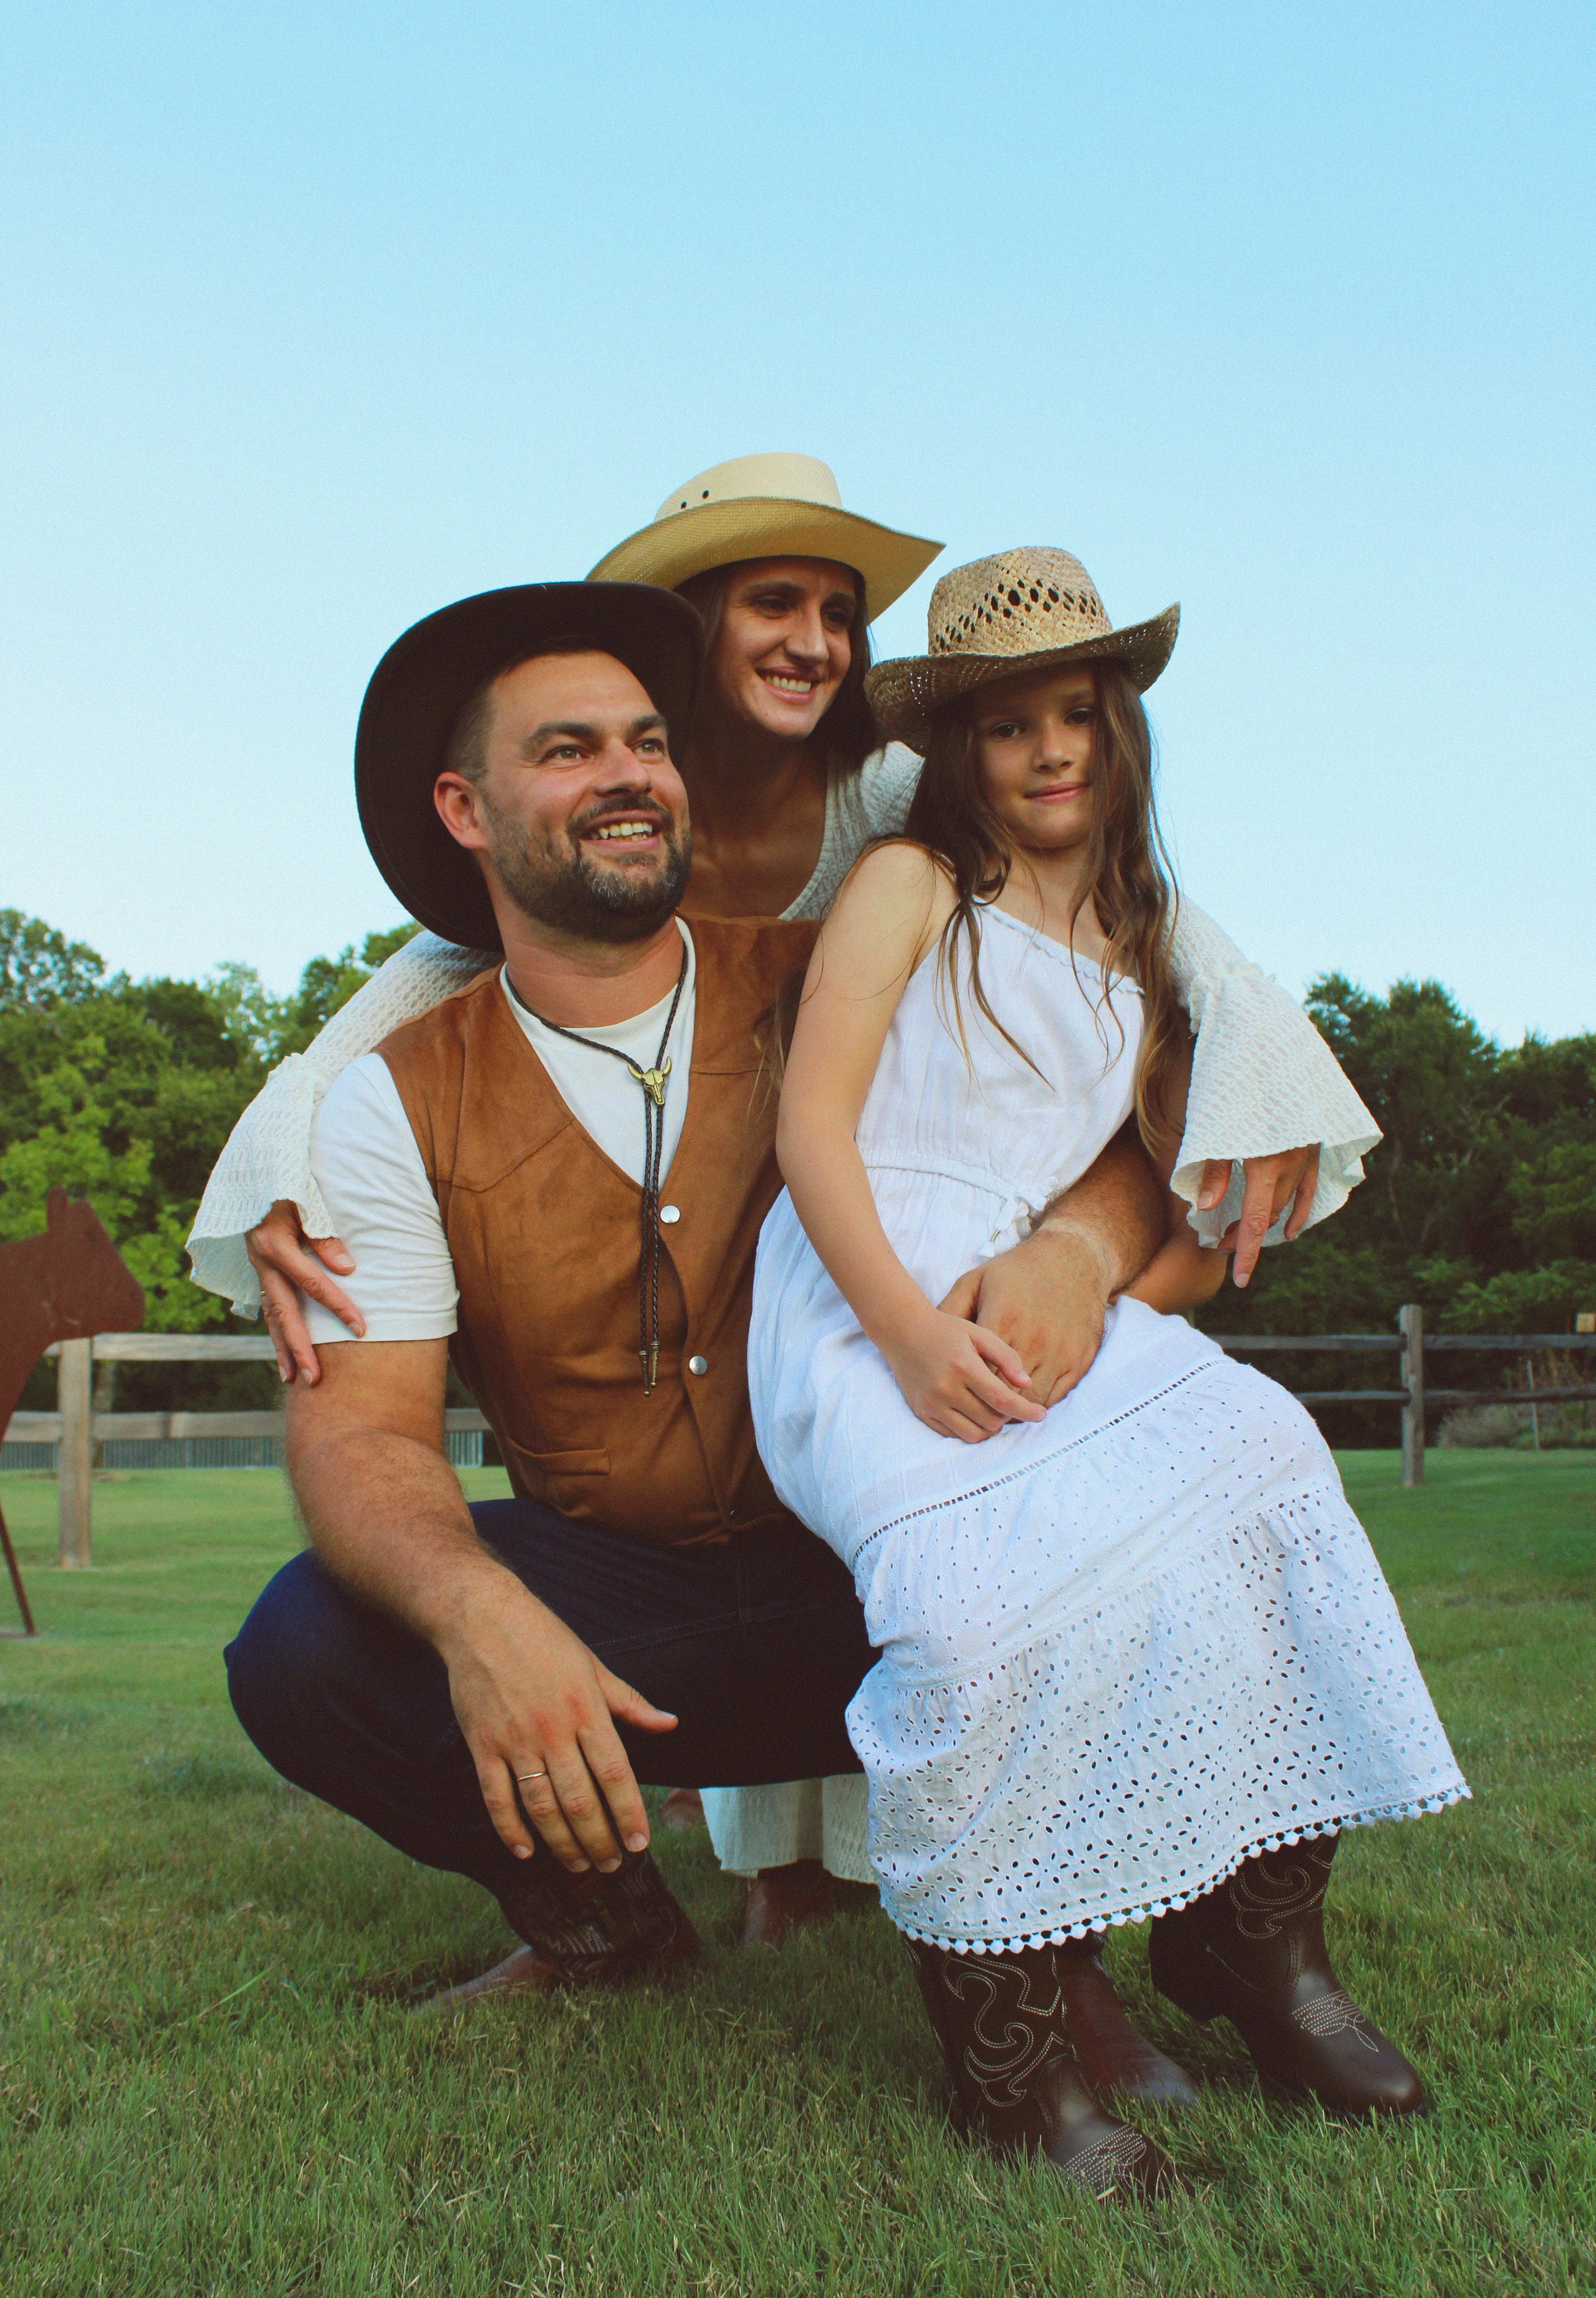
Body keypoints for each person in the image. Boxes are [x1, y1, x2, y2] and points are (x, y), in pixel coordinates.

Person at [190, 458, 1378, 1971]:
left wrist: (1078, 1246)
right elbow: (362, 1417)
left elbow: (1118, 1056)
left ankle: (1096, 1959)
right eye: (568, 750)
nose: (623, 774)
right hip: (638, 1596)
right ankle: (602, 1917)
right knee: (305, 1646)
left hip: (871, 1539)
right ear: (465, 808)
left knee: (1151, 1488)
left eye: (643, 742)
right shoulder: (405, 1084)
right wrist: (481, 1617)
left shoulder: (850, 938)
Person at [748, 548, 1469, 2200]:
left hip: (1029, 1282)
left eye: (1076, 713)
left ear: (1119, 727)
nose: (1050, 750)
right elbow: (809, 1133)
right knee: (966, 1604)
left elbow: (1176, 1231)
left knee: (1266, 1456)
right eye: (1008, 726)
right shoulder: (911, 886)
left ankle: (1252, 1943)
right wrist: (904, 1329)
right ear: (959, 749)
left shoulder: (1147, 954)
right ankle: (1010, 2066)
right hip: (860, 1290)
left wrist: (1106, 1309)